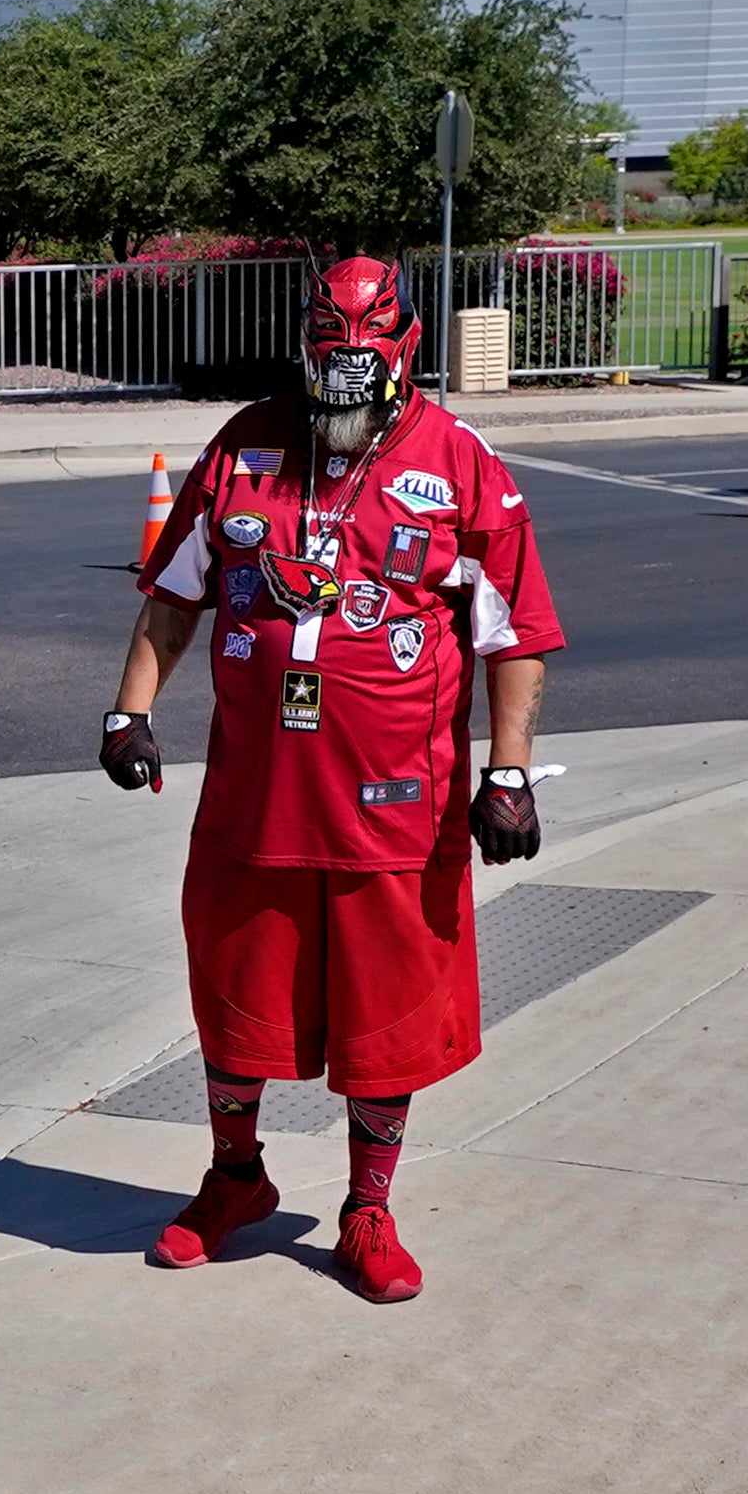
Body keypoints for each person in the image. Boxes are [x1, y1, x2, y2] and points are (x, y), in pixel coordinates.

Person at [99, 257, 564, 1305]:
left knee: (385, 1012)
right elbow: (178, 594)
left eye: (364, 358)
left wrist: (512, 771)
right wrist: (130, 708)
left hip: (396, 804)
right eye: (327, 357)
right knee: (235, 997)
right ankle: (235, 1177)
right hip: (255, 798)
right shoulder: (245, 446)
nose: (343, 379)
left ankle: (368, 1205)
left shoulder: (461, 459)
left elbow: (514, 632)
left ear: (400, 354)